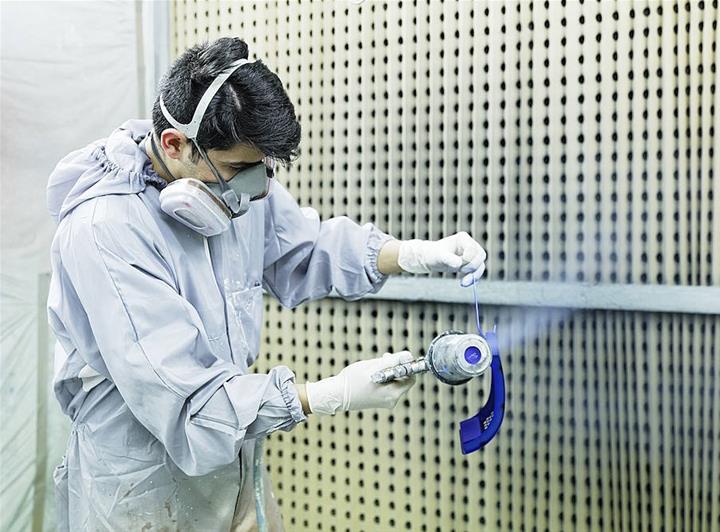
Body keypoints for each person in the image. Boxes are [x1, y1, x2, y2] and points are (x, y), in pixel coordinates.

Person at [46, 37, 486, 531]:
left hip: (231, 455)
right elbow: (190, 401)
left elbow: (303, 247)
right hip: (140, 485)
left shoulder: (232, 190)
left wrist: (412, 254)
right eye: (238, 169)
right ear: (175, 144)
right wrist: (329, 394)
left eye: (262, 171)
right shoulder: (106, 230)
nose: (257, 192)